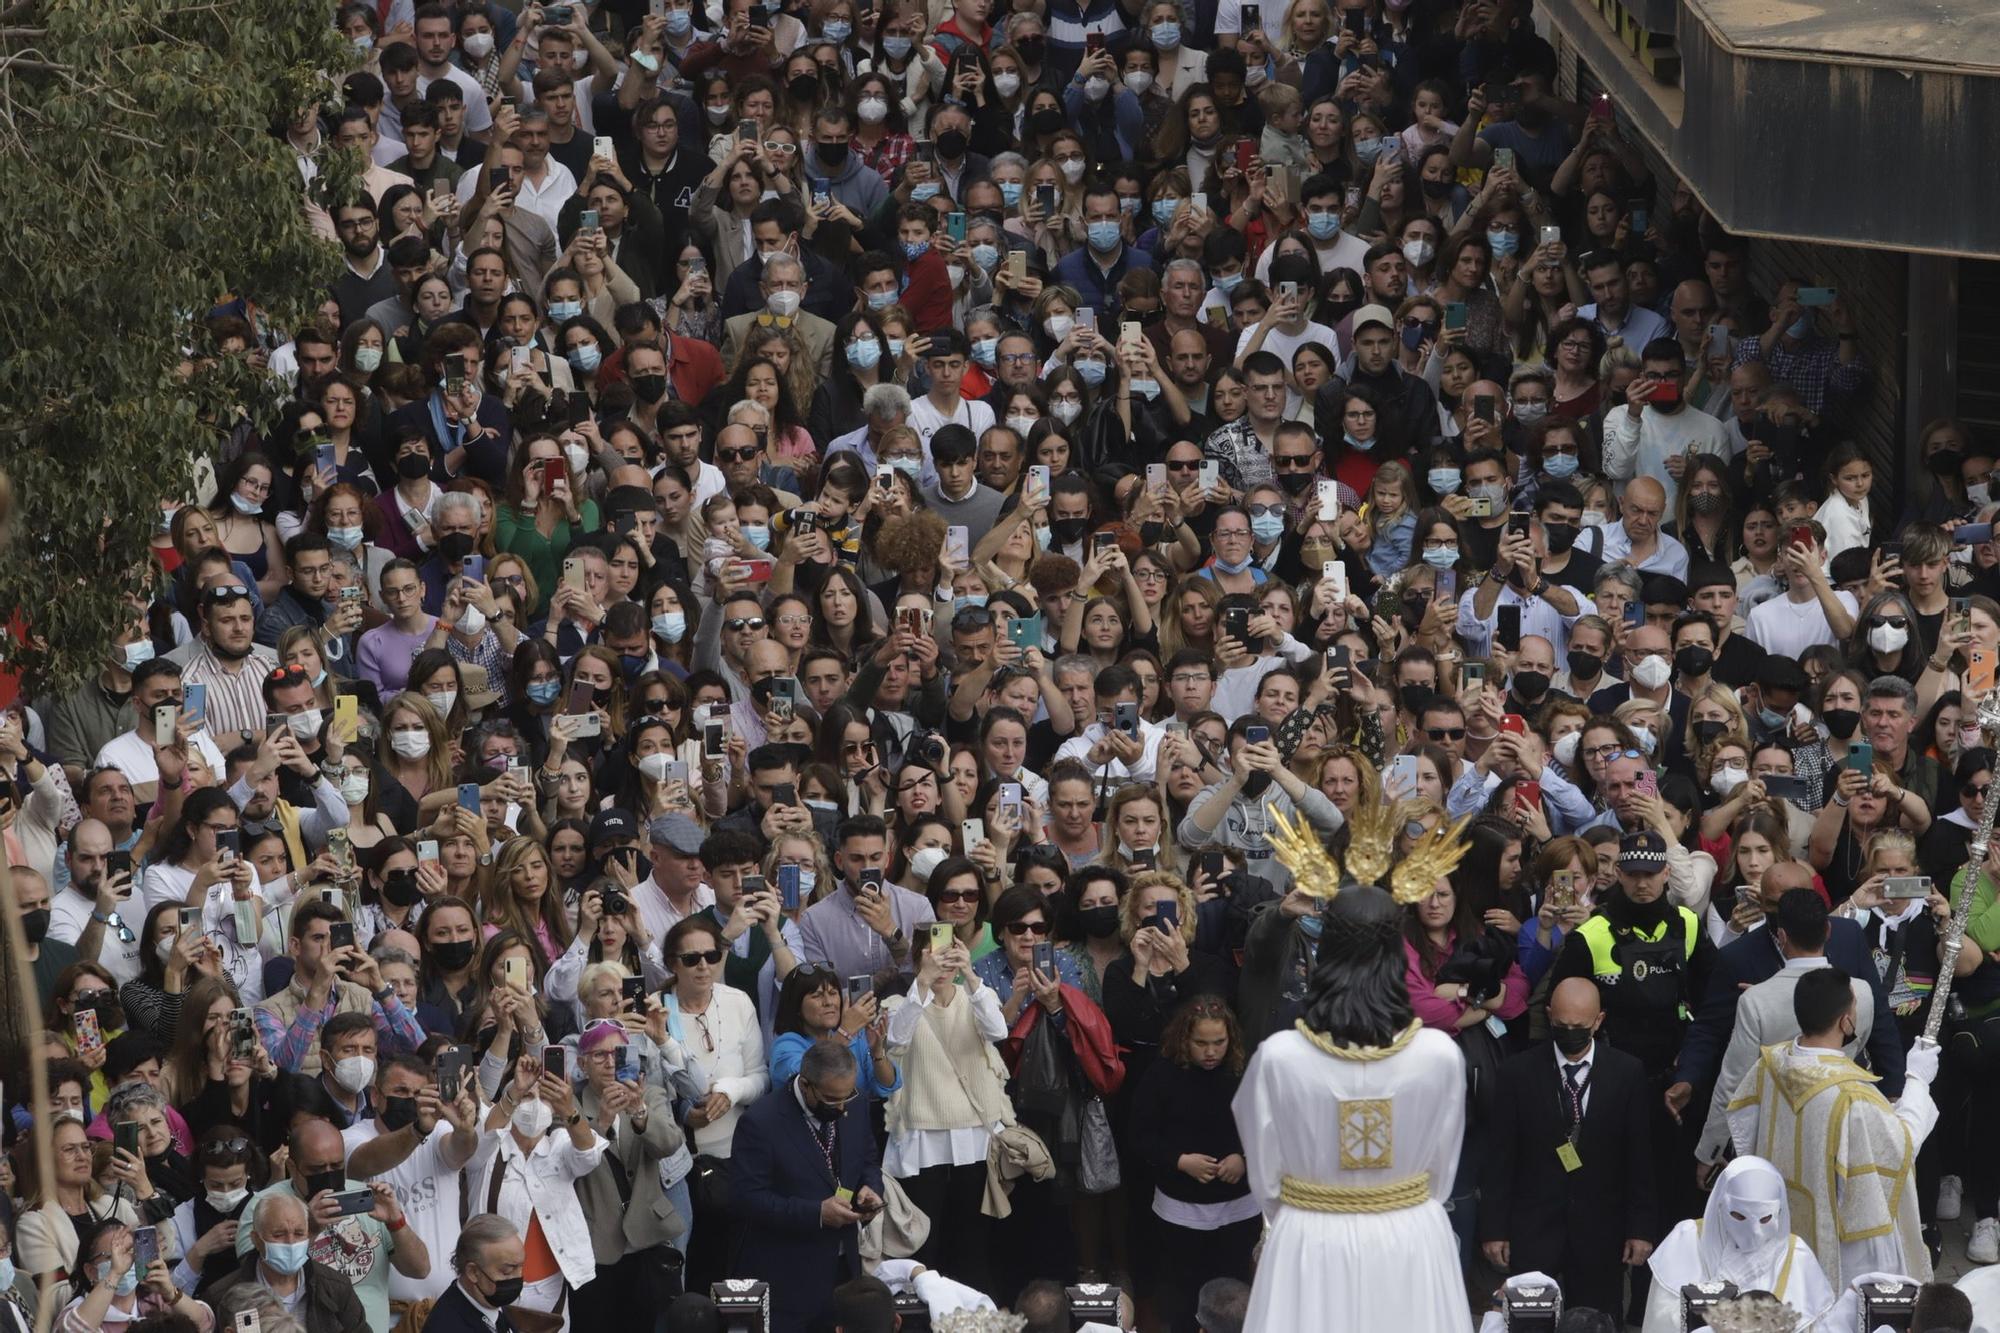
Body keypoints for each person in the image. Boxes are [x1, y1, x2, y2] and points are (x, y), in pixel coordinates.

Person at [1229, 813, 1469, 1332]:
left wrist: (1318, 1197)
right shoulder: (1440, 1055)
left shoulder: (1278, 1056)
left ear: (1328, 948)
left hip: (1309, 1239)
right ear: (1394, 951)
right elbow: (1441, 1174)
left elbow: (1266, 1176)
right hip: (1409, 1237)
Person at [1724, 965, 1940, 1287]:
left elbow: (1746, 1127)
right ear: (1845, 1021)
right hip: (1840, 1243)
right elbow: (1901, 1144)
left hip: (1782, 1219)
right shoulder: (1852, 1096)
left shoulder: (1770, 1064)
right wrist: (1918, 1080)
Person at [1478, 977, 1654, 1320]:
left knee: (1597, 1321)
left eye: (1579, 1026)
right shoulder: (1517, 1073)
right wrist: (1494, 1228)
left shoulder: (1627, 1072)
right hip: (1534, 1228)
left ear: (1599, 1021)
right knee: (1529, 1322)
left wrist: (1641, 1228)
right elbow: (1500, 1156)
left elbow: (1639, 1158)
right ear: (1548, 1016)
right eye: (1561, 1025)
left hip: (1601, 1229)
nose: (1570, 1031)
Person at [730, 1039, 884, 1333]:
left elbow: (867, 1159)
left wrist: (870, 1188)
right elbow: (745, 1199)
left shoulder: (857, 1102)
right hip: (787, 1278)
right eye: (830, 1099)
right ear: (805, 1084)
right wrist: (815, 1212)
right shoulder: (761, 1121)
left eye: (845, 1097)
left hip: (843, 1272)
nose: (840, 1107)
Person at [1640, 1155, 1835, 1332]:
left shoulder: (1796, 1254)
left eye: (1765, 1218)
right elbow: (1661, 1320)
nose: (1754, 1231)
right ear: (1721, 1204)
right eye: (1739, 1215)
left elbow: (1815, 1325)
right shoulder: (1687, 1240)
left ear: (1780, 1211)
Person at [207, 1192, 370, 1333]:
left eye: (299, 1233)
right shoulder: (222, 1295)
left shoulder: (335, 1288)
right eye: (278, 1234)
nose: (290, 1242)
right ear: (256, 1239)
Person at [420, 1215, 527, 1333]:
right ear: (473, 1272)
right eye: (507, 1271)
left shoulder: (490, 1305)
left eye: (521, 1267)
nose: (518, 1277)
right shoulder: (447, 1326)